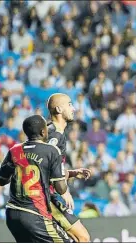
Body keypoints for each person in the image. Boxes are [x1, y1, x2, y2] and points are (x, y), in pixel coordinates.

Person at [0, 115, 72, 242]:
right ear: (43, 131)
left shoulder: (14, 150)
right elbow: (60, 188)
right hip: (35, 213)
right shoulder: (51, 150)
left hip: (12, 214)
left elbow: (2, 181)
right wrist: (64, 178)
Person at [46, 93, 91, 242]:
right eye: (70, 104)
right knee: (83, 237)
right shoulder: (55, 134)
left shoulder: (52, 131)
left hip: (46, 196)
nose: (74, 108)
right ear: (59, 109)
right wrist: (63, 191)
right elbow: (45, 162)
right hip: (45, 198)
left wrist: (71, 173)